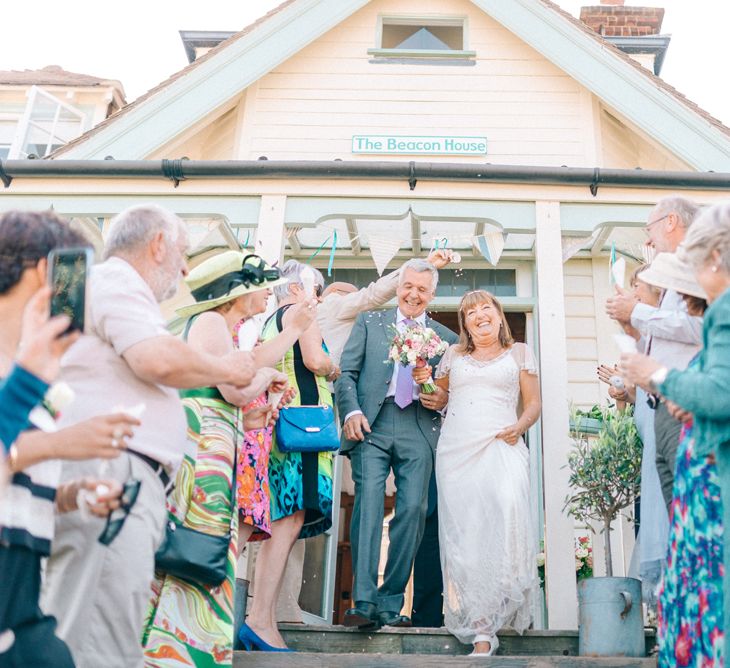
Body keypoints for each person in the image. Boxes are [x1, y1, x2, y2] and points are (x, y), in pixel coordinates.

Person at [40, 205, 263, 668]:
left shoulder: (102, 288)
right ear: (158, 243)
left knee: (99, 623)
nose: (184, 269)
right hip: (114, 470)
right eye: (182, 254)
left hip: (114, 470)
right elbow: (153, 359)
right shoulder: (119, 282)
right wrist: (227, 367)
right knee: (104, 632)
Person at [142, 251, 316, 666]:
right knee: (197, 549)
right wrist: (289, 337)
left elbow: (231, 400)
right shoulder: (210, 323)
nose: (267, 293)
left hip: (216, 448)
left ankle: (186, 647)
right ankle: (177, 650)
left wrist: (256, 410)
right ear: (239, 291)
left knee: (207, 551)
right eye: (262, 286)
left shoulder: (222, 327)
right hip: (203, 455)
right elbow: (233, 388)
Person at [0, 211, 135, 668]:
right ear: (45, 270)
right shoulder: (24, 375)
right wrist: (61, 442)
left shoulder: (25, 368)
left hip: (21, 594)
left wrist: (72, 494)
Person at [620, 202, 730, 666]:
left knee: (706, 594)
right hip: (699, 466)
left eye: (697, 265)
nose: (692, 290)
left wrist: (660, 376)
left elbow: (720, 392)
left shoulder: (723, 309)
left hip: (710, 481)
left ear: (717, 258)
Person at [413, 290, 540, 655]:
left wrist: (519, 427)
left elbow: (533, 403)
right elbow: (437, 399)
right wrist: (423, 378)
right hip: (457, 452)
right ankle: (482, 629)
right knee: (466, 537)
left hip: (503, 443)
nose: (480, 315)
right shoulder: (454, 356)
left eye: (486, 308)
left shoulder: (520, 353)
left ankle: (502, 599)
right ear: (465, 324)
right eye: (471, 312)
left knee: (507, 509)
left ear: (499, 315)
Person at [335, 259, 457, 629]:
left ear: (432, 294)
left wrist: (432, 389)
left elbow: (445, 396)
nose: (413, 295)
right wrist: (351, 411)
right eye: (408, 286)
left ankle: (390, 603)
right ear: (398, 286)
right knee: (369, 505)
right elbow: (346, 375)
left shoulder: (445, 340)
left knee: (413, 512)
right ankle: (364, 602)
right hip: (371, 423)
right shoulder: (370, 323)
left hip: (419, 427)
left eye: (422, 289)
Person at [243, 260, 338, 651]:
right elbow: (315, 361)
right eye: (314, 288)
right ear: (297, 290)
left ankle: (258, 619)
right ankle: (259, 620)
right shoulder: (300, 317)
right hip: (303, 433)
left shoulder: (271, 322)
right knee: (287, 521)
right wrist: (336, 368)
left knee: (279, 521)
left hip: (278, 427)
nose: (317, 297)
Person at [606, 196, 702, 509]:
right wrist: (631, 327)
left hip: (687, 406)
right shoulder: (672, 274)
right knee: (677, 519)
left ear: (671, 222)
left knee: (693, 510)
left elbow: (697, 327)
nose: (648, 239)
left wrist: (636, 312)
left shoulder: (699, 263)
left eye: (650, 229)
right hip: (660, 407)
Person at [601, 262, 668, 612]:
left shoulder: (665, 337)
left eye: (638, 291)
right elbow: (643, 394)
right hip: (651, 450)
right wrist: (625, 395)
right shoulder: (640, 342)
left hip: (668, 446)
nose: (632, 297)